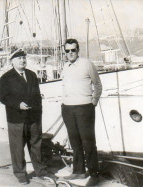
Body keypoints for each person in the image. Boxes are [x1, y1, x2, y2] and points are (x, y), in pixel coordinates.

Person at [0, 49, 56, 185]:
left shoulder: (31, 75)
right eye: (19, 58)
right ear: (12, 61)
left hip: (33, 118)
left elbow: (37, 96)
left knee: (36, 145)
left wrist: (38, 114)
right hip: (16, 119)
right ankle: (20, 174)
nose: (22, 60)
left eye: (23, 58)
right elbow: (3, 98)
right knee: (17, 147)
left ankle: (40, 171)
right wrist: (18, 104)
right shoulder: (6, 78)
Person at [61, 39, 103, 186]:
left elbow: (97, 84)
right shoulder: (65, 66)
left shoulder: (87, 64)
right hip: (68, 108)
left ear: (78, 50)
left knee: (88, 142)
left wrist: (94, 101)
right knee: (74, 141)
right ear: (65, 52)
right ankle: (78, 171)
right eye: (67, 51)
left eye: (73, 50)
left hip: (84, 108)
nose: (70, 53)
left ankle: (94, 175)